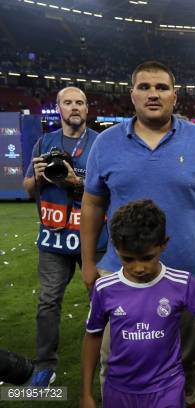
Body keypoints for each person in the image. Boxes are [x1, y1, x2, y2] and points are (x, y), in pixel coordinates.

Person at [80, 61, 195, 407]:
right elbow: (92, 203)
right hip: (120, 273)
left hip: (189, 275)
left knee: (185, 361)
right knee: (116, 360)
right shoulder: (106, 143)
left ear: (175, 95)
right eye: (144, 87)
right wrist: (88, 263)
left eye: (161, 87)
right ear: (132, 95)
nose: (153, 94)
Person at [80, 199, 195, 408]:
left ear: (163, 245)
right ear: (115, 249)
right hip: (119, 390)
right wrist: (86, 393)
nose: (138, 268)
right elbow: (93, 335)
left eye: (147, 257)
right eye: (128, 259)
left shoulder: (182, 284)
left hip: (167, 388)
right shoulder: (105, 288)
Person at [23, 87, 107, 386]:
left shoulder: (100, 143)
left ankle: (110, 359)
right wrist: (36, 176)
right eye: (68, 102)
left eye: (80, 103)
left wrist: (75, 180)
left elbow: (109, 187)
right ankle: (45, 364)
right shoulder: (43, 142)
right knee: (48, 302)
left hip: (93, 237)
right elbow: (28, 188)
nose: (74, 107)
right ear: (58, 108)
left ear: (87, 109)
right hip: (54, 238)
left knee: (102, 301)